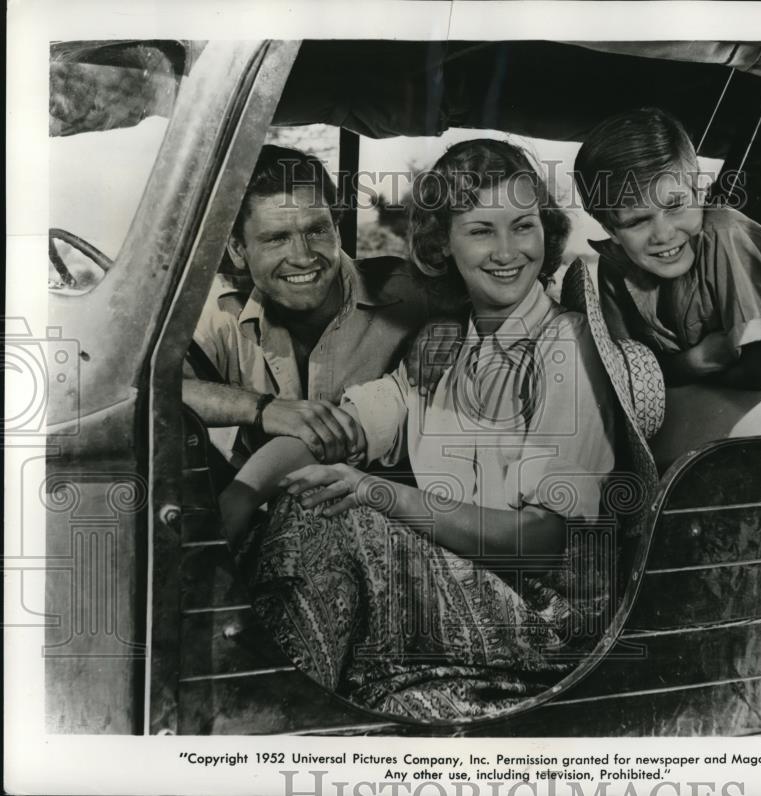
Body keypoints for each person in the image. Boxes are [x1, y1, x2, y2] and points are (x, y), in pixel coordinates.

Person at [219, 139, 619, 720]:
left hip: (544, 619)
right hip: (455, 591)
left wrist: (380, 492)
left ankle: (275, 720)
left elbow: (546, 540)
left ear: (546, 233)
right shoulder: (442, 350)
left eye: (523, 227)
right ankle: (273, 713)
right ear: (443, 244)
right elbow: (324, 432)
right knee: (302, 498)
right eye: (481, 230)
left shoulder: (568, 344)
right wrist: (234, 505)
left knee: (333, 511)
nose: (508, 252)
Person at [572, 108, 761, 436]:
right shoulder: (614, 266)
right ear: (610, 227)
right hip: (723, 406)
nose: (663, 234)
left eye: (675, 205)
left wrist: (682, 374)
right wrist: (697, 361)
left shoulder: (728, 235)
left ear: (699, 191)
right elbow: (630, 378)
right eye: (637, 221)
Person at [182, 144, 463, 467]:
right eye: (277, 238)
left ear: (337, 226)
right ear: (237, 249)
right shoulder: (218, 310)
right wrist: (262, 409)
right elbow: (149, 392)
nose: (303, 257)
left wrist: (448, 321)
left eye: (316, 230)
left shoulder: (408, 290)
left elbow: (497, 304)